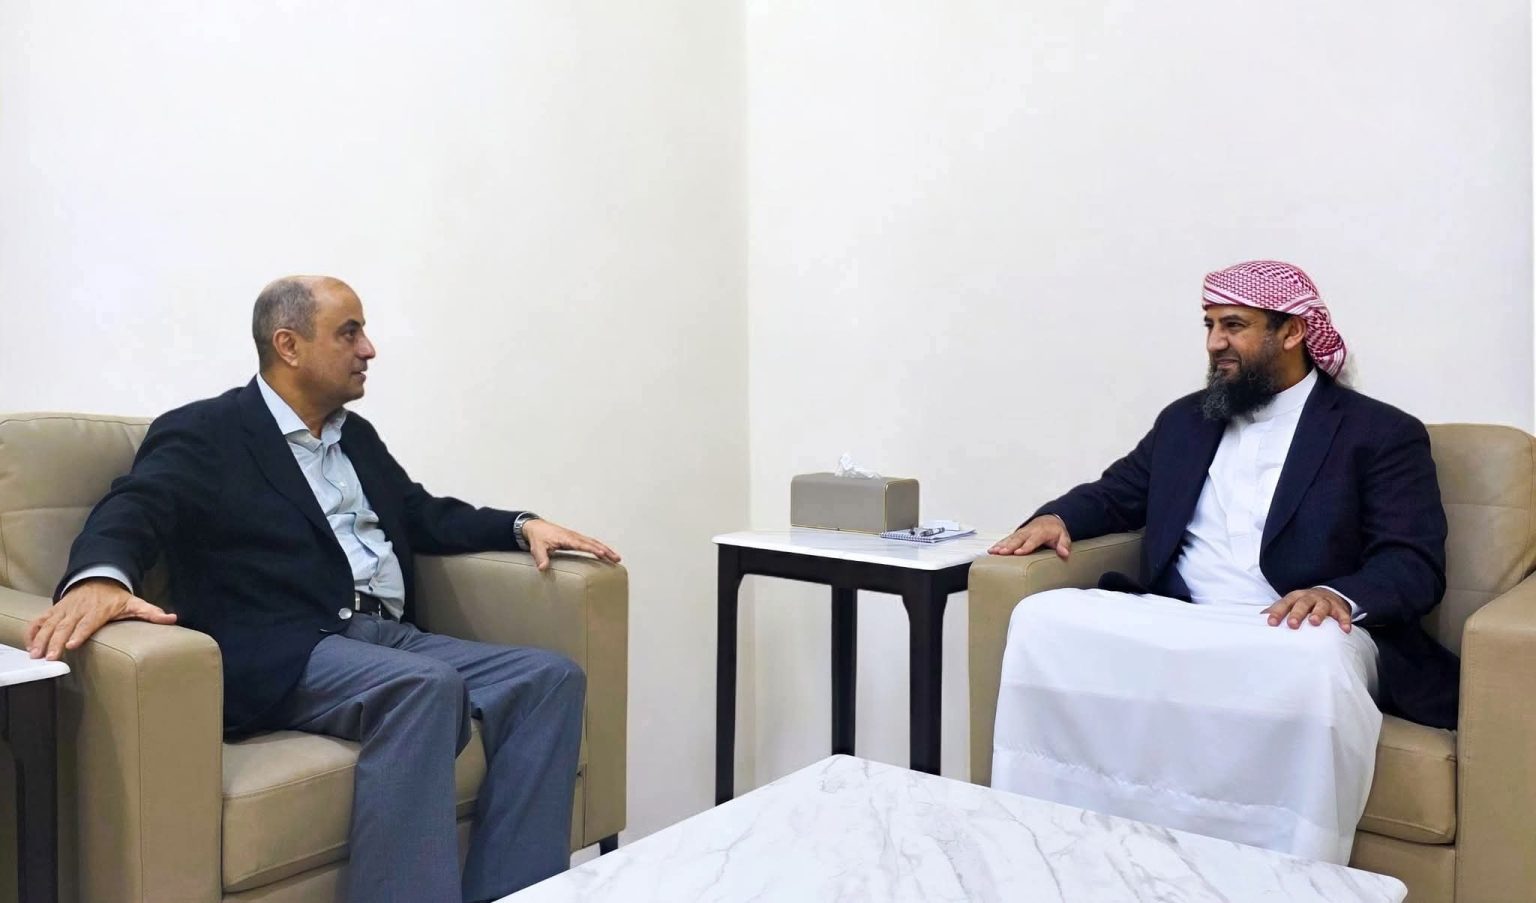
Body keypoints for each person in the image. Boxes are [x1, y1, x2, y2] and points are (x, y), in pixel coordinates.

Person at [24, 276, 620, 902]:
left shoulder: (353, 437)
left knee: (549, 679)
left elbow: (420, 514)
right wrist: (100, 577)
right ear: (289, 345)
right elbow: (135, 507)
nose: (369, 349)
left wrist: (521, 526)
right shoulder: (208, 431)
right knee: (425, 687)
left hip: (387, 637)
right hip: (287, 647)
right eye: (349, 333)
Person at [986, 260, 1458, 864]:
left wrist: (1337, 596)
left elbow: (1412, 561)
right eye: (1209, 325)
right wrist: (1058, 518)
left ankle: (1282, 874)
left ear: (1293, 332)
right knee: (1041, 619)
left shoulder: (1379, 432)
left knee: (1313, 659)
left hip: (1294, 627)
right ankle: (1049, 847)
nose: (1215, 343)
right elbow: (1119, 492)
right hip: (1185, 615)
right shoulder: (1186, 420)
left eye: (1234, 325)